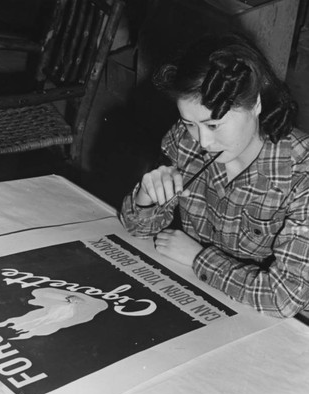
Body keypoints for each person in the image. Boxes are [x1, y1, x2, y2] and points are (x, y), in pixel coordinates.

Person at [120, 32, 309, 318]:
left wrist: (198, 258)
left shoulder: (301, 172)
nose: (203, 142)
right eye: (190, 123)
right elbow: (139, 231)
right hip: (216, 301)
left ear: (256, 103)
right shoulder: (184, 140)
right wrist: (147, 197)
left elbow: (284, 297)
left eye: (214, 125)